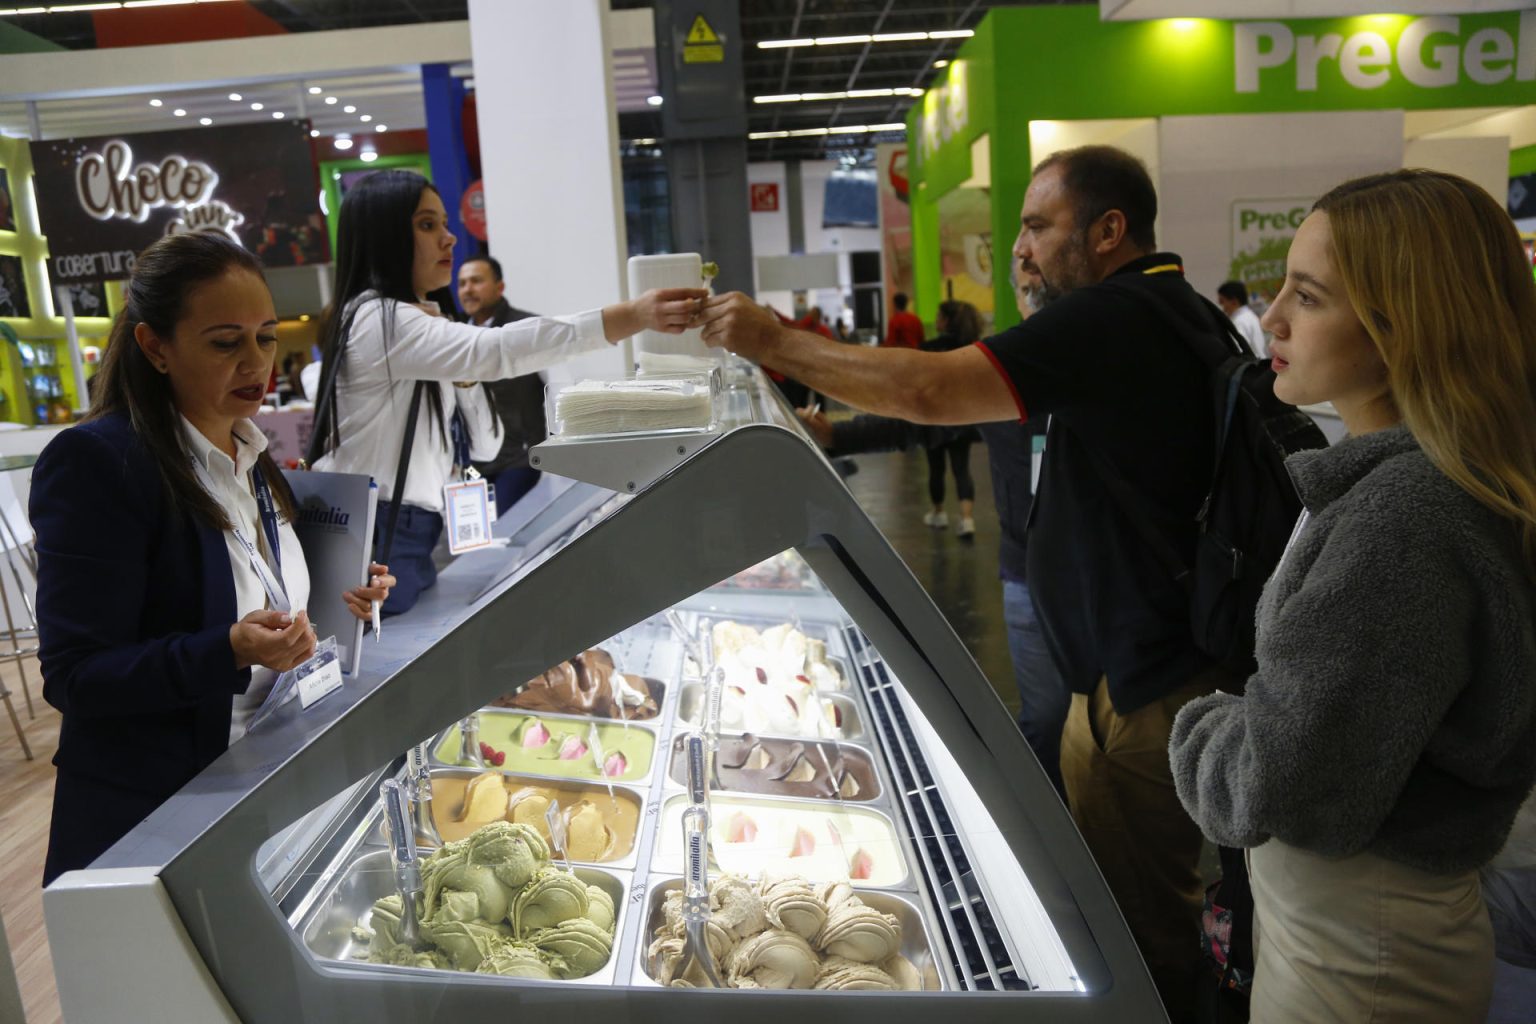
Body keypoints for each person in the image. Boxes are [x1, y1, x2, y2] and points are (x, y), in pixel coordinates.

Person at [700, 145, 1230, 1020]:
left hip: (1142, 685)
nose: (1020, 246)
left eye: (1037, 225)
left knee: (1140, 930)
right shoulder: (1158, 312)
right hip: (1124, 673)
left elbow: (928, 388)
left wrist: (774, 341)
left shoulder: (1120, 316)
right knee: (1122, 899)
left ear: (1108, 231)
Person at [1169, 170, 1536, 1022]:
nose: (1275, 318)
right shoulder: (1414, 490)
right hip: (1361, 931)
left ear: (1402, 324)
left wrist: (1202, 725)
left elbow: (1281, 784)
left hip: (1361, 960)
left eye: (1311, 295)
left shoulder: (1403, 520)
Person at [31, 232, 397, 886]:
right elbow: (76, 677)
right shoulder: (98, 464)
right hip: (159, 822)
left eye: (266, 336)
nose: (256, 363)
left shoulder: (253, 460)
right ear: (155, 347)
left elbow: (258, 599)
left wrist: (343, 597)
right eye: (226, 342)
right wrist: (226, 649)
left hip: (263, 788)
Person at [308, 170, 704, 614]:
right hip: (379, 526)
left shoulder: (415, 324)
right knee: (373, 660)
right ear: (385, 237)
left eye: (443, 223)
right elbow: (498, 350)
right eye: (427, 225)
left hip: (409, 526)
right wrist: (632, 316)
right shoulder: (379, 322)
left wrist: (466, 376)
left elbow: (485, 441)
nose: (450, 239)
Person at [458, 255, 546, 517]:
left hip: (518, 460)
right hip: (473, 466)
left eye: (476, 281)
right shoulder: (455, 337)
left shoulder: (525, 330)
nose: (468, 289)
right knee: (475, 541)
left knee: (508, 537)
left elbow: (555, 386)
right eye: (462, 283)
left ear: (500, 287)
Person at [920, 300, 983, 537]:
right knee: (961, 469)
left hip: (934, 419)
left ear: (946, 321)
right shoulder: (973, 348)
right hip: (963, 418)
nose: (935, 320)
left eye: (938, 316)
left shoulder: (927, 348)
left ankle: (938, 513)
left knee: (936, 469)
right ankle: (967, 519)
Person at [1217, 279, 1267, 358]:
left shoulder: (1239, 321)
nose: (1222, 307)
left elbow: (1239, 351)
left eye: (1222, 302)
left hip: (1251, 366)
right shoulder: (1250, 315)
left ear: (1234, 301)